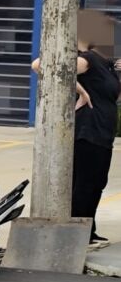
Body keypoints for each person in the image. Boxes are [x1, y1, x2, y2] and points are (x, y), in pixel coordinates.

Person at [32, 42, 120, 249]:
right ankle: (77, 233)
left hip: (103, 134)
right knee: (84, 184)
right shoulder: (88, 59)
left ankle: (88, 230)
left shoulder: (107, 66)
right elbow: (40, 65)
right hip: (88, 131)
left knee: (97, 184)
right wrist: (81, 91)